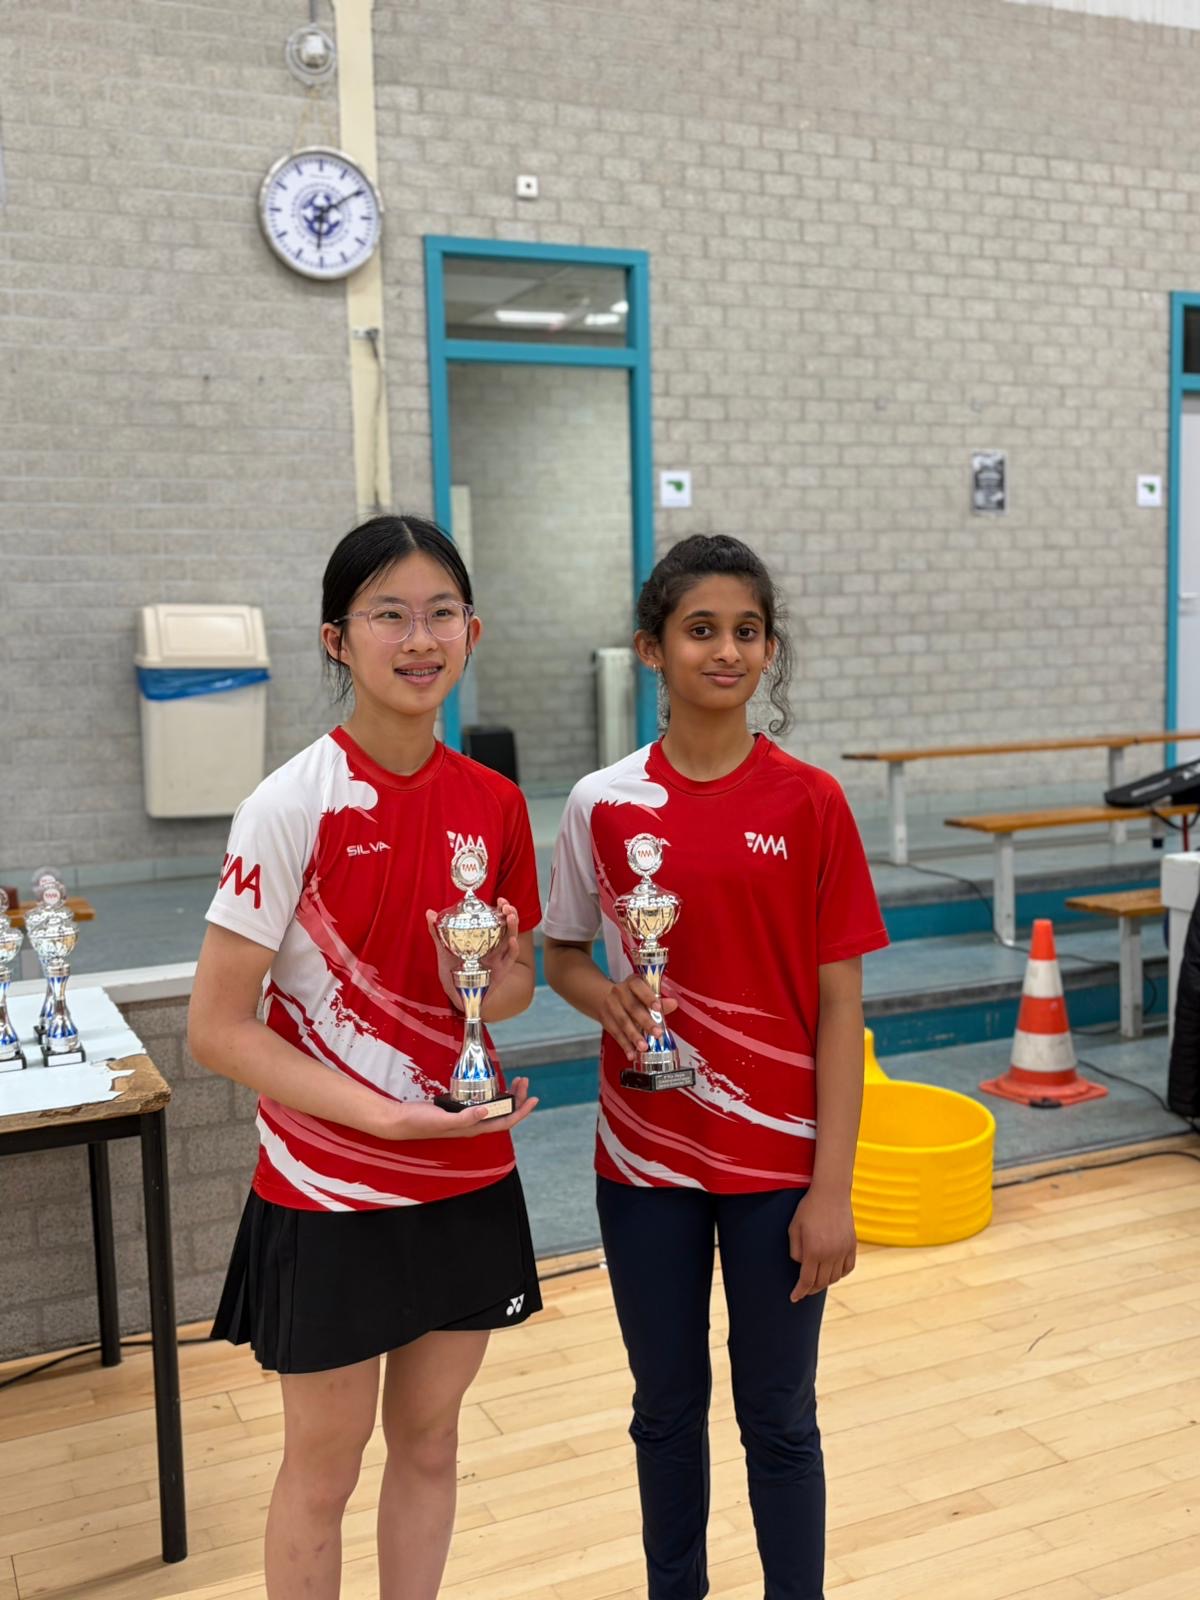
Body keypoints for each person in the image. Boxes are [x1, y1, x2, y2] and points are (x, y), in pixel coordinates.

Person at [188, 513, 542, 1600]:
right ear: (338, 639)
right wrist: (382, 1115)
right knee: (323, 1468)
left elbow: (512, 991)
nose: (419, 638)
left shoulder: (495, 804)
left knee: (430, 1444)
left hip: (465, 1172)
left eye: (441, 613)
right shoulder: (290, 804)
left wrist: (478, 975)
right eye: (390, 614)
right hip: (330, 1186)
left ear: (473, 631)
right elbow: (216, 1026)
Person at [542, 534, 888, 1600]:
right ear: (652, 648)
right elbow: (562, 953)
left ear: (769, 649)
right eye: (701, 630)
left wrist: (832, 1188)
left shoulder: (811, 802)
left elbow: (840, 1007)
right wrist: (604, 997)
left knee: (779, 1416)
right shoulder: (601, 803)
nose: (726, 650)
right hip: (645, 1161)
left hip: (780, 1166)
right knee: (664, 1409)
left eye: (746, 631)